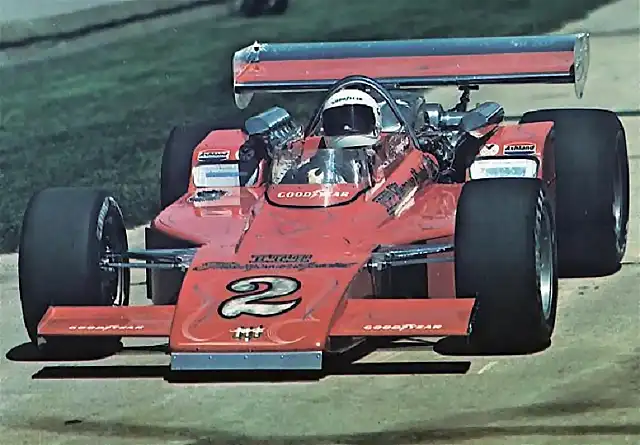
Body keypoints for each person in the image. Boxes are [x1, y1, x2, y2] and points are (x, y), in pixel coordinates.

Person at [279, 88, 383, 184]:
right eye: (338, 120)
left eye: (358, 119)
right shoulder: (310, 171)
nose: (347, 126)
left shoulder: (388, 164)